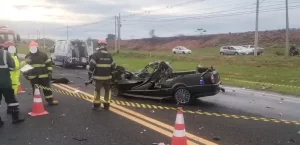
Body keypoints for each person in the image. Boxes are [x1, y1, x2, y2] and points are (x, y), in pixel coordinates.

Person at [23, 41, 58, 105]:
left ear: (37, 47)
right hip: (33, 77)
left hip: (44, 76)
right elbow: (25, 66)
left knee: (47, 89)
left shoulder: (43, 55)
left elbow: (48, 64)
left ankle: (50, 101)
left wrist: (49, 72)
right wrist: (25, 74)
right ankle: (37, 103)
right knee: (36, 90)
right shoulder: (28, 56)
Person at [0, 43, 25, 127]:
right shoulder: (5, 53)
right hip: (5, 82)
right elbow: (12, 67)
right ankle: (15, 118)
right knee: (11, 101)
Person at [88, 39, 115, 110]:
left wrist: (89, 75)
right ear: (105, 46)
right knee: (107, 90)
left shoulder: (95, 54)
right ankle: (106, 105)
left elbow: (91, 66)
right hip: (108, 78)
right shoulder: (109, 55)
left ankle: (96, 105)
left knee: (97, 90)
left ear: (98, 45)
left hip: (98, 78)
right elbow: (113, 67)